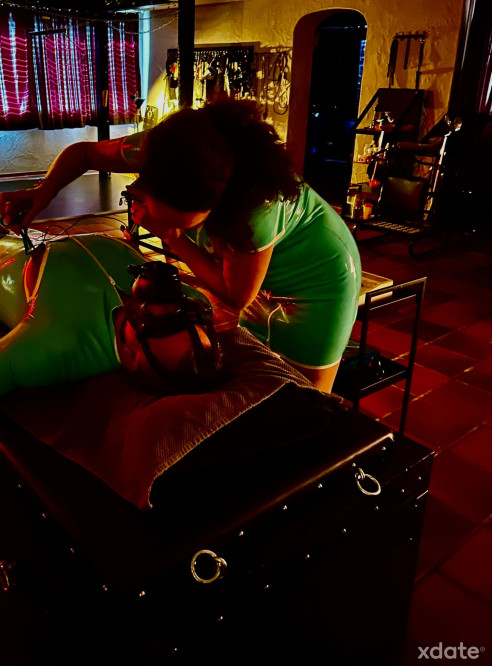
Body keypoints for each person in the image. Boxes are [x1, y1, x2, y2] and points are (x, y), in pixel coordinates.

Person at [0, 98, 361, 393]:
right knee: (253, 371)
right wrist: (44, 191)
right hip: (259, 276)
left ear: (217, 203)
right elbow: (84, 154)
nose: (172, 229)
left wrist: (171, 236)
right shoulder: (161, 151)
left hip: (319, 281)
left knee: (305, 396)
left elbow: (235, 295)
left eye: (184, 224)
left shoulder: (255, 207)